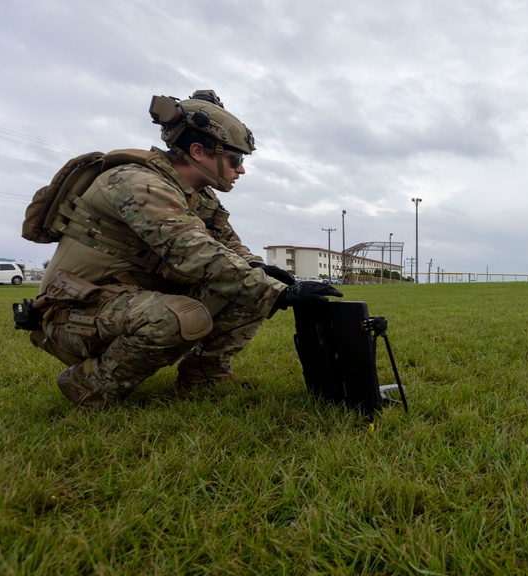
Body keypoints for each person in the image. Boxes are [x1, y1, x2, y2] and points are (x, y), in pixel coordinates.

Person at [29, 90, 342, 408]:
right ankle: (89, 385)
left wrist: (262, 270)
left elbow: (226, 245)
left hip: (122, 301)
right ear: (197, 151)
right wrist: (277, 293)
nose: (241, 169)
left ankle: (204, 376)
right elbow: (194, 255)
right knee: (180, 317)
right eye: (235, 159)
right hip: (73, 313)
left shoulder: (197, 194)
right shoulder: (138, 185)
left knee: (246, 286)